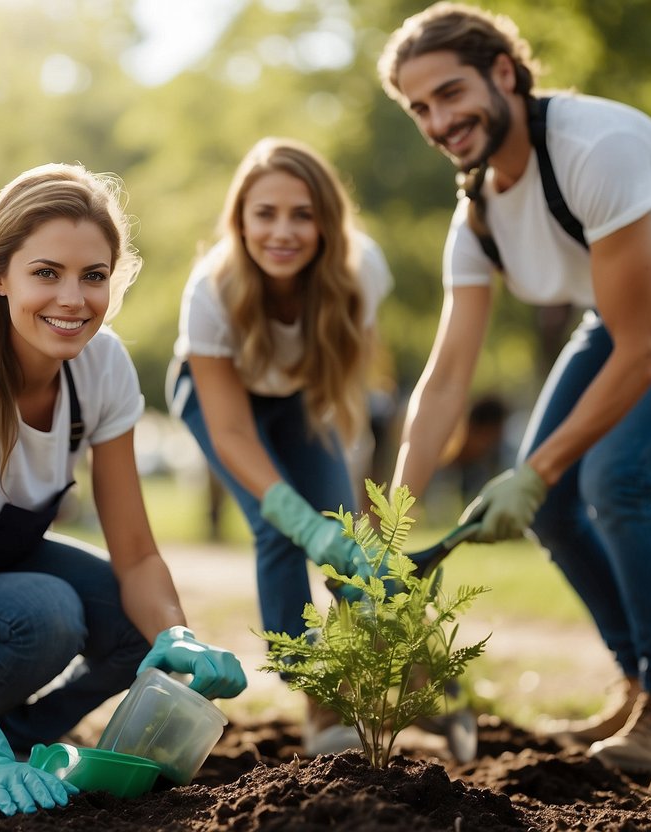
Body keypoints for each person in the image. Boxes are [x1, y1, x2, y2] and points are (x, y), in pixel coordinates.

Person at [378, 3, 651, 773]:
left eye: (450, 93)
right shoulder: (477, 214)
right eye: (418, 107)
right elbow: (445, 378)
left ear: (503, 73)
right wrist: (393, 531)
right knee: (556, 510)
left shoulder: (596, 148)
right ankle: (642, 688)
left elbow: (643, 352)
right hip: (622, 320)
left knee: (612, 477)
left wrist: (530, 471)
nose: (438, 120)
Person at [0, 163, 247, 816]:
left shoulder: (102, 364)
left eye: (93, 276)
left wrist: (179, 634)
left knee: (141, 631)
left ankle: (12, 743)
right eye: (45, 273)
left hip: (0, 568)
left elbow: (138, 553)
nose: (72, 299)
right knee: (47, 612)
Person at [167, 137, 393, 756]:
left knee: (340, 533)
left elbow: (347, 399)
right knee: (280, 528)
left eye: (302, 213)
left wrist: (355, 528)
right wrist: (298, 520)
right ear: (240, 220)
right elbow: (234, 433)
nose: (282, 231)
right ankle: (317, 692)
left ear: (327, 220)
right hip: (218, 398)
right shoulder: (211, 290)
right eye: (265, 213)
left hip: (299, 397)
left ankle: (368, 674)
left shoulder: (361, 270)